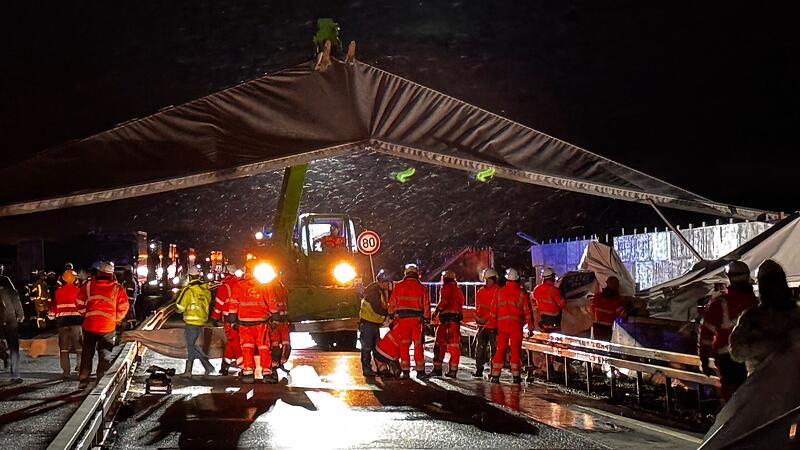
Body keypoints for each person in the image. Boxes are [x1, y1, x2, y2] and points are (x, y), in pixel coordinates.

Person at [696, 261, 758, 402]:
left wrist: (704, 360)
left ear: (728, 277)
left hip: (727, 360)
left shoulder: (719, 303)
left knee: (732, 398)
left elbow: (705, 335)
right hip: (752, 357)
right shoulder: (755, 302)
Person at [730, 259, 800, 376]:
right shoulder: (796, 314)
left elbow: (737, 352)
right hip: (791, 384)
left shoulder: (751, 317)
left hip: (762, 386)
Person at [77, 261, 129, 388]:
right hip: (107, 327)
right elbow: (124, 307)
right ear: (111, 274)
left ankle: (84, 379)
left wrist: (86, 314)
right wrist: (115, 319)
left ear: (99, 272)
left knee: (87, 352)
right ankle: (101, 380)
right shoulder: (117, 288)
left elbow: (79, 302)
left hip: (90, 325)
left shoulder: (88, 285)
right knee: (105, 353)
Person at [230, 259, 275, 384]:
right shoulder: (265, 285)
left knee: (247, 347)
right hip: (261, 321)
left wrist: (232, 319)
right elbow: (271, 302)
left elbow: (233, 303)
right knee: (264, 347)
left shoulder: (239, 285)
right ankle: (266, 372)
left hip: (244, 322)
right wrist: (275, 316)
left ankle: (248, 372)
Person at [489, 268, 533, 384]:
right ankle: (516, 377)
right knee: (515, 351)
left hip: (502, 327)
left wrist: (492, 327)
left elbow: (493, 311)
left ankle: (495, 375)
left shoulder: (499, 292)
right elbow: (527, 312)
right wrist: (530, 327)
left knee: (500, 350)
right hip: (516, 327)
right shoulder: (522, 294)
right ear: (517, 279)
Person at [387, 263, 430, 378]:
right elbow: (426, 305)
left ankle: (405, 371)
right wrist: (426, 319)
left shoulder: (398, 286)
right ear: (416, 274)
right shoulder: (421, 288)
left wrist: (391, 318)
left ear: (405, 274)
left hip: (402, 321)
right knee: (418, 345)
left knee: (404, 345)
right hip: (416, 321)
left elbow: (392, 304)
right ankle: (420, 371)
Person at [175, 266, 214, 378]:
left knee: (191, 347)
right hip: (201, 321)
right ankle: (188, 371)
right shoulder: (205, 289)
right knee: (192, 347)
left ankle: (207, 365)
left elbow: (180, 306)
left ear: (190, 276)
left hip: (191, 321)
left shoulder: (188, 290)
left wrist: (177, 309)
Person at [49, 269, 83, 379]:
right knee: (79, 348)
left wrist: (51, 316)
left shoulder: (57, 292)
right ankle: (80, 369)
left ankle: (66, 372)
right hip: (77, 323)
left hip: (62, 324)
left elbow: (52, 311)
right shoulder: (79, 291)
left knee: (64, 349)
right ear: (75, 280)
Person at [432, 270, 465, 378]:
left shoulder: (445, 288)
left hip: (446, 321)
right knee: (454, 347)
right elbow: (461, 303)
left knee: (439, 345)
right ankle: (453, 370)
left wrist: (436, 311)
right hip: (455, 322)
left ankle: (437, 369)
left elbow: (444, 301)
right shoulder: (458, 290)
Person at [211, 264, 242, 375]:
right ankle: (225, 366)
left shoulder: (224, 286)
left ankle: (244, 366)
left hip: (229, 318)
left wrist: (214, 318)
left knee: (234, 342)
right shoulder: (241, 284)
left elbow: (219, 304)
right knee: (231, 341)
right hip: (241, 317)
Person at [358, 271, 391, 377]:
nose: (387, 284)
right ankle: (367, 370)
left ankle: (380, 368)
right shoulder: (373, 293)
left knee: (377, 347)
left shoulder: (380, 291)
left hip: (374, 323)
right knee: (367, 347)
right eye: (385, 282)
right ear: (380, 282)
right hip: (368, 324)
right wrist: (388, 315)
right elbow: (378, 308)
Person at [473, 268, 499, 377]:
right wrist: (477, 318)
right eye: (486, 279)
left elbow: (496, 309)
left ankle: (494, 372)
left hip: (493, 325)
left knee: (494, 350)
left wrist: (484, 318)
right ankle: (479, 369)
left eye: (488, 279)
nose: (486, 282)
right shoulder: (480, 291)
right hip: (482, 324)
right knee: (480, 348)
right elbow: (477, 307)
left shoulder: (498, 291)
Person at [1, 281, 25, 384]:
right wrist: (20, 313)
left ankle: (3, 353)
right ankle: (15, 375)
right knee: (14, 347)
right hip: (10, 318)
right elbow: (15, 297)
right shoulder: (5, 281)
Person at [589, 276, 627, 340]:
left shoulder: (597, 297)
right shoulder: (616, 300)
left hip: (596, 327)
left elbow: (591, 309)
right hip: (607, 328)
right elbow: (622, 314)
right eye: (616, 285)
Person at [266, 277, 291, 375]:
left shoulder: (281, 287)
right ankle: (273, 367)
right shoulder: (272, 287)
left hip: (282, 321)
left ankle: (280, 363)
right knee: (275, 345)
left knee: (286, 344)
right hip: (275, 321)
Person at [532, 267, 566, 332]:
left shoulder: (536, 289)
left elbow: (534, 303)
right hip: (554, 318)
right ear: (551, 277)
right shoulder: (553, 290)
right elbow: (562, 305)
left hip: (542, 318)